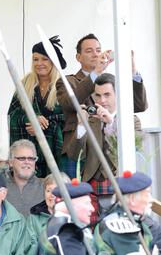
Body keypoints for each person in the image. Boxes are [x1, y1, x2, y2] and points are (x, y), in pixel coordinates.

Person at [56, 34, 147, 178]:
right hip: (80, 151)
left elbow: (139, 106)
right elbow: (69, 103)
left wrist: (133, 70)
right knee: (76, 198)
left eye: (98, 50)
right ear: (78, 57)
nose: (95, 54)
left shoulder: (111, 80)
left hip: (111, 154)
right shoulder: (68, 81)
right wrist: (95, 73)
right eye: (89, 51)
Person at [75, 73, 143, 222]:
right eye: (98, 96)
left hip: (118, 184)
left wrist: (112, 124)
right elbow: (76, 153)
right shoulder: (89, 120)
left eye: (107, 95)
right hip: (90, 185)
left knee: (117, 229)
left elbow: (133, 150)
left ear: (117, 94)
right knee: (90, 230)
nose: (102, 101)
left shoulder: (132, 120)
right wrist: (81, 125)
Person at [8, 36, 66, 178]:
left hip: (57, 152)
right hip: (28, 154)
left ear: (53, 61)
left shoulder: (63, 85)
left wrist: (43, 126)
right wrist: (31, 119)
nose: (39, 63)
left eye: (44, 59)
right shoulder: (25, 84)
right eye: (35, 59)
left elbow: (69, 118)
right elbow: (12, 115)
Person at [94, 171, 161, 255]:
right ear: (132, 200)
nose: (151, 200)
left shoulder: (138, 223)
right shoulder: (118, 226)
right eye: (147, 194)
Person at [36, 179, 96, 255]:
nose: (91, 208)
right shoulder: (66, 231)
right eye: (87, 203)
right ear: (72, 206)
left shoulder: (55, 224)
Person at [24, 172, 70, 255]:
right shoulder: (33, 218)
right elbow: (29, 252)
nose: (52, 195)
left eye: (56, 190)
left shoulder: (75, 217)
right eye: (48, 190)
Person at [5, 139, 44, 217]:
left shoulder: (46, 186)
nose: (27, 162)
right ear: (10, 162)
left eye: (31, 158)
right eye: (22, 158)